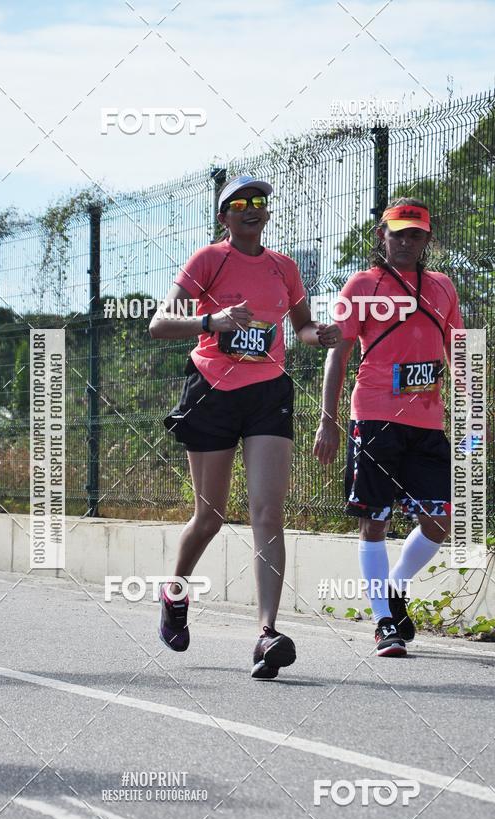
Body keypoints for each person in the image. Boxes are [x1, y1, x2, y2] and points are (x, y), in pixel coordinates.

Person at [149, 174, 340, 678]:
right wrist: (211, 322)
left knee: (267, 512)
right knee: (209, 517)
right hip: (212, 391)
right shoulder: (208, 260)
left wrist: (319, 334)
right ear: (224, 217)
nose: (252, 208)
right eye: (240, 204)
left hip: (267, 394)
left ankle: (266, 634)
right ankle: (174, 592)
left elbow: (300, 327)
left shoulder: (284, 267)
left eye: (259, 202)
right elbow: (159, 323)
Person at [313, 198, 465, 657]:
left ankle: (395, 586)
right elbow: (338, 354)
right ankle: (383, 622)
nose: (405, 241)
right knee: (374, 521)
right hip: (375, 417)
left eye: (415, 234)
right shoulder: (363, 285)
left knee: (441, 518)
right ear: (383, 236)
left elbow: (458, 352)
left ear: (427, 239)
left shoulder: (442, 287)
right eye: (397, 233)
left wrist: (474, 415)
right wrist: (328, 420)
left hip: (427, 422)